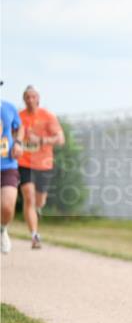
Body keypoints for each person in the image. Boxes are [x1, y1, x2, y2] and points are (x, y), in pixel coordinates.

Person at [18, 86, 64, 250]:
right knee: (28, 197)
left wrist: (41, 140)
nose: (30, 100)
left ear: (38, 98)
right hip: (24, 163)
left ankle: (37, 210)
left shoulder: (47, 116)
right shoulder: (19, 116)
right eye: (27, 97)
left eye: (33, 97)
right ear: (24, 99)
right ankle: (34, 236)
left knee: (39, 200)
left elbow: (60, 139)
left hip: (44, 163)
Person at [1, 93, 24, 254]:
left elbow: (20, 127)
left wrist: (18, 142)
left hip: (7, 164)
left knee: (7, 207)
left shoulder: (8, 107)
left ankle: (2, 230)